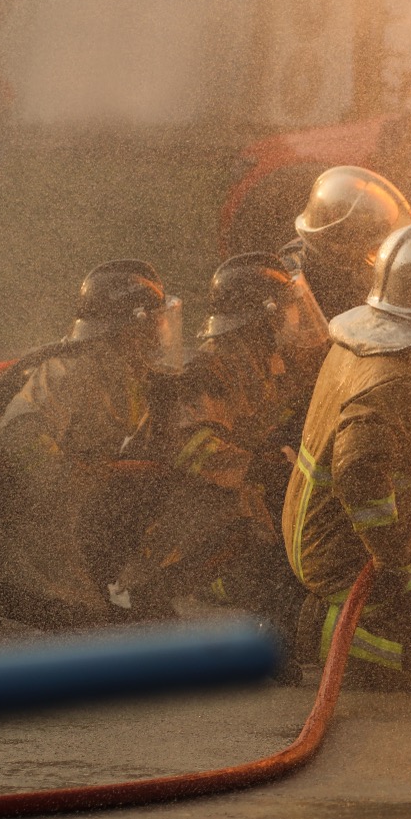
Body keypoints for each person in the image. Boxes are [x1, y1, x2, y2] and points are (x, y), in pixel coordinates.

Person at [281, 218, 411, 687]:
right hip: (339, 556)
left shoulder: (358, 342)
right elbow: (357, 472)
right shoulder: (395, 377)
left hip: (317, 529)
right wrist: (395, 562)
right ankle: (328, 629)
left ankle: (379, 612)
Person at [109, 253, 327, 634]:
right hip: (174, 520)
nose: (293, 319)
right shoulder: (207, 373)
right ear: (262, 319)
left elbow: (283, 407)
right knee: (252, 529)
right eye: (286, 311)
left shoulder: (260, 361)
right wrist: (259, 468)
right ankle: (165, 594)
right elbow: (191, 445)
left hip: (223, 510)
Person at [0, 260, 183, 629]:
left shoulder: (123, 370)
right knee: (81, 622)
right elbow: (17, 439)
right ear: (131, 326)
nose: (160, 333)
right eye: (154, 322)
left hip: (65, 519)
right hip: (29, 529)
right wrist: (84, 480)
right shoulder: (71, 370)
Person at [280, 165, 411, 322]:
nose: (377, 256)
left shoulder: (354, 273)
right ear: (340, 242)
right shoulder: (290, 278)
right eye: (373, 249)